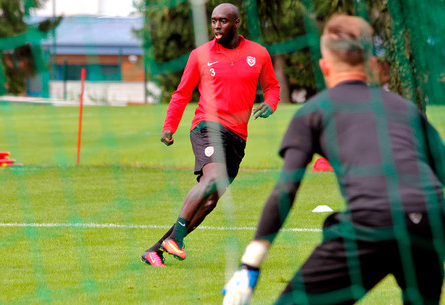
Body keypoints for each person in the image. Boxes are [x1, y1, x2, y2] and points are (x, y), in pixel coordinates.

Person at [223, 13, 445, 305]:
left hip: (372, 223)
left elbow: (286, 189)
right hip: (431, 221)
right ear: (371, 63)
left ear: (324, 66)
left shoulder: (314, 111)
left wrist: (249, 265)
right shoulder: (406, 108)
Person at [141, 3, 280, 267]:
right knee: (212, 180)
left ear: (236, 23)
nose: (216, 26)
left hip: (238, 137)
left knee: (211, 201)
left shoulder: (258, 53)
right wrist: (169, 125)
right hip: (207, 126)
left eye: (223, 21)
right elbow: (182, 93)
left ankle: (156, 250)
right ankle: (177, 239)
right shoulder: (200, 54)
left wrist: (270, 104)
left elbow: (272, 87)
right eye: (214, 21)